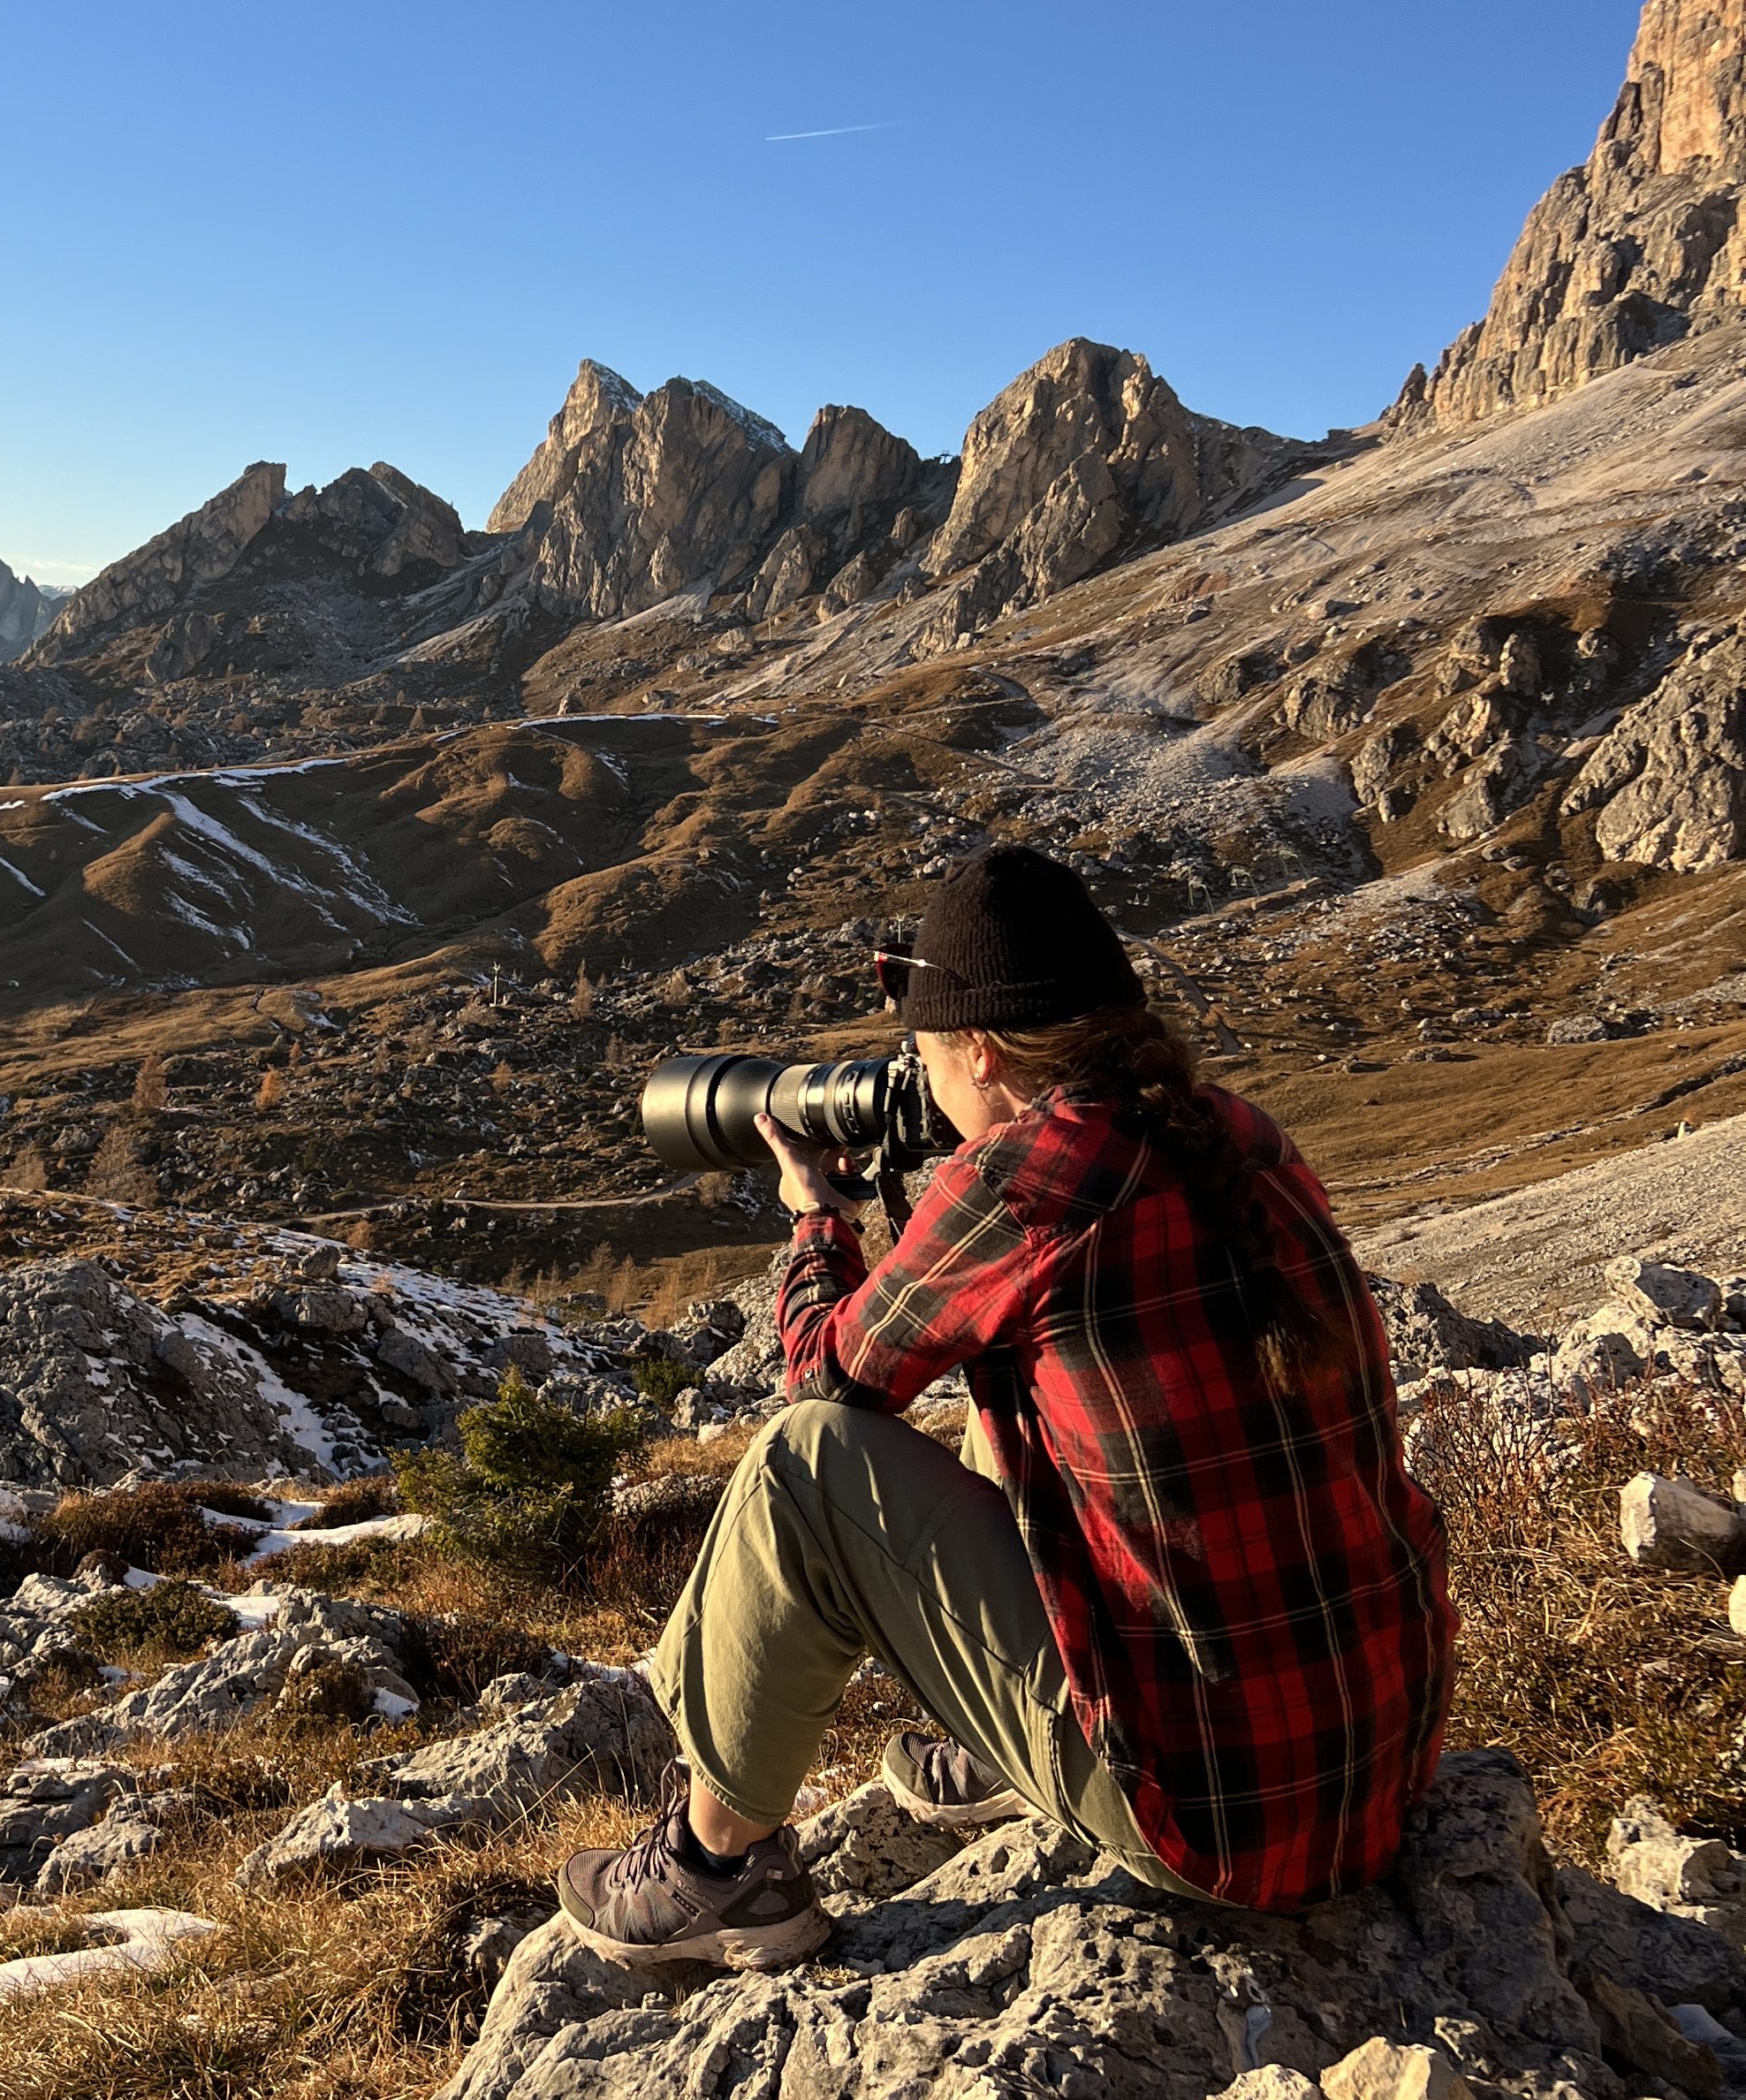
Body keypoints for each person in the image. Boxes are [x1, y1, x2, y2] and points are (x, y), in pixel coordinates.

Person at [559, 842, 1454, 1968]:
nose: (920, 1075)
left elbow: (824, 1382)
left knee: (803, 1465)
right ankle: (1009, 1748)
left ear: (980, 1049)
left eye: (926, 1050)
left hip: (1215, 1828)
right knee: (1032, 1398)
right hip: (1371, 1774)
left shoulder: (1027, 1181)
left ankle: (714, 1869)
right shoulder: (1236, 1133)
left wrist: (816, 1219)